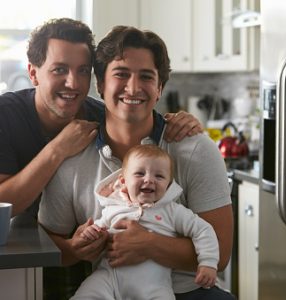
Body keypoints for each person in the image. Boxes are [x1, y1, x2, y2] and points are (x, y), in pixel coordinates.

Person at [0, 18, 203, 300]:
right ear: (33, 73)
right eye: (60, 69)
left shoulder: (97, 114)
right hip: (21, 250)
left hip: (96, 257)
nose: (72, 82)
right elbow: (2, 205)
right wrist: (56, 150)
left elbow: (141, 120)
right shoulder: (5, 115)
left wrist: (178, 121)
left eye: (82, 70)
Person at [38, 25, 235, 300]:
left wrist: (149, 245)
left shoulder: (196, 150)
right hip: (112, 290)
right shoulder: (71, 156)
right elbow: (47, 245)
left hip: (190, 293)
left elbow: (221, 252)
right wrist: (74, 248)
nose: (133, 87)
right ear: (100, 85)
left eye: (146, 76)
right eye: (121, 74)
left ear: (160, 88)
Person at [71, 144, 219, 299]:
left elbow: (203, 230)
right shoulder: (113, 206)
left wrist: (208, 263)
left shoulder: (172, 211)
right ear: (123, 181)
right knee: (86, 293)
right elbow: (98, 229)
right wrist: (90, 233)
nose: (149, 180)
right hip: (108, 278)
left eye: (159, 176)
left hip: (153, 286)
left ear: (168, 185)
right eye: (140, 173)